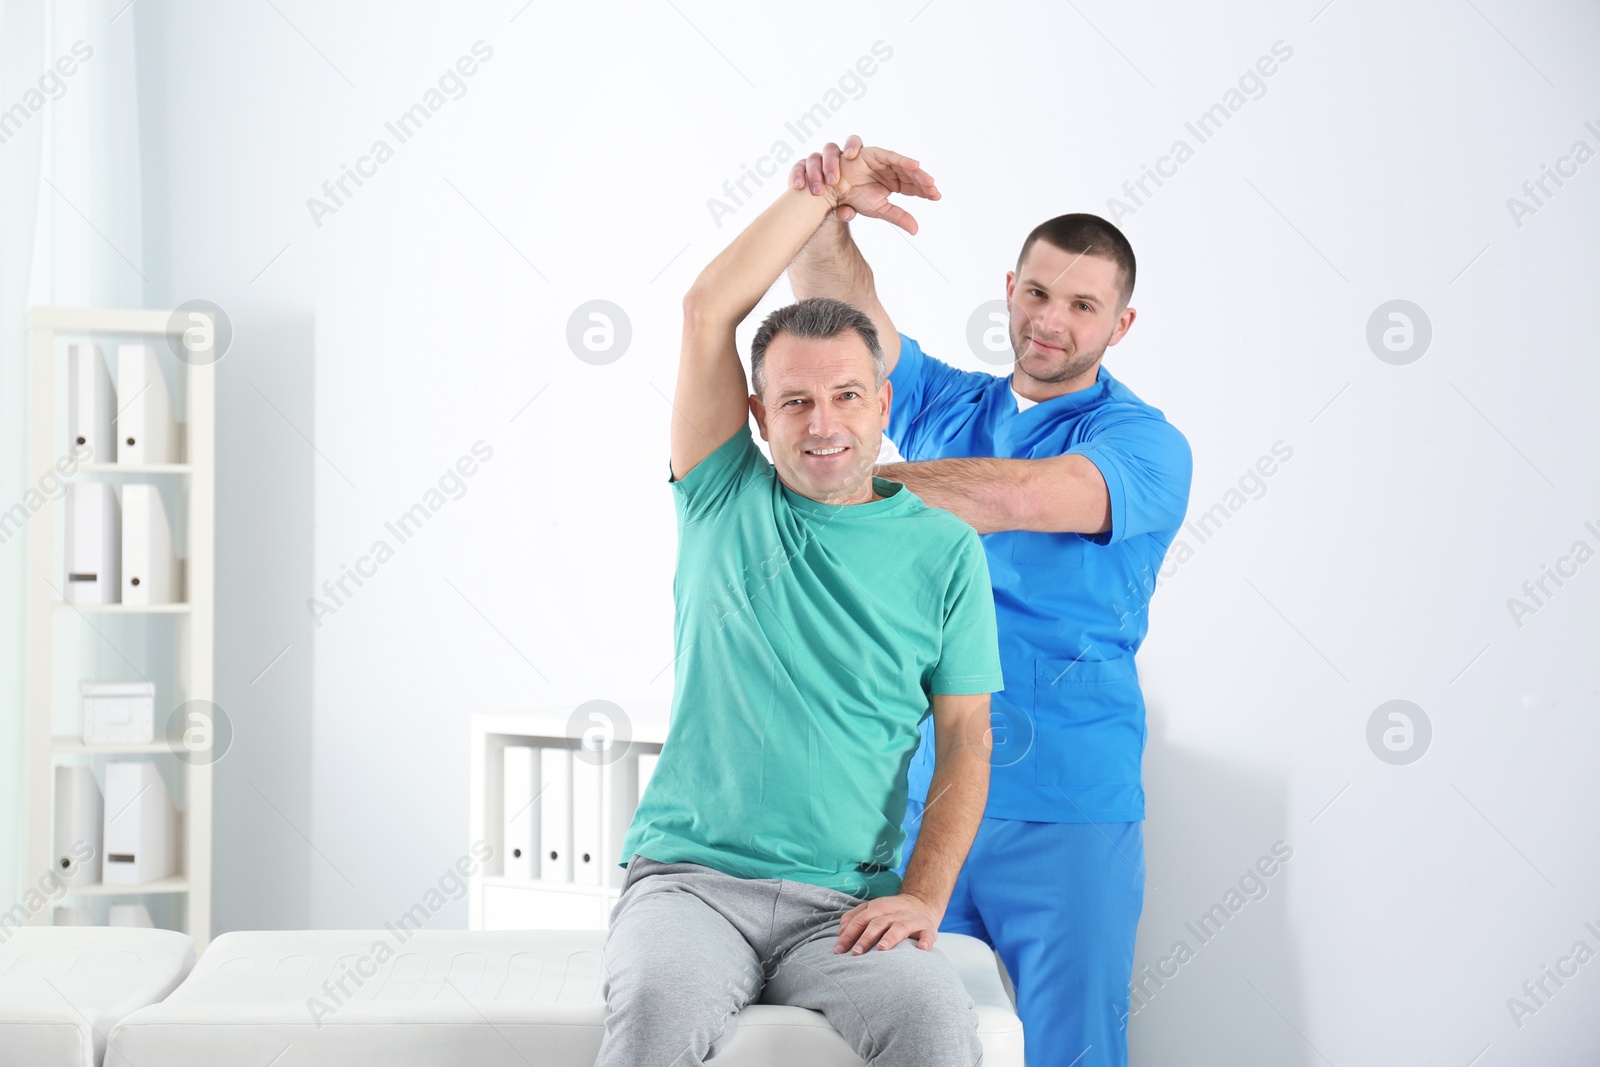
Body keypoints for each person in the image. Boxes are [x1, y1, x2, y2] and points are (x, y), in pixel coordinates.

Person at [788, 135, 1194, 1067]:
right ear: (1010, 286)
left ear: (1120, 325)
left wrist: (838, 481)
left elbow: (1014, 497)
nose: (1052, 321)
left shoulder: (1144, 444)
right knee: (904, 1039)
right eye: (1039, 293)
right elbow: (837, 307)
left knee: (1069, 1051)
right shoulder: (948, 404)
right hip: (926, 801)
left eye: (1083, 305)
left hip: (1065, 811)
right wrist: (827, 209)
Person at [597, 143, 1006, 1067]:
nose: (823, 423)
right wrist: (813, 195)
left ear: (882, 401)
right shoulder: (720, 493)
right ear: (757, 413)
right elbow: (708, 309)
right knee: (658, 1008)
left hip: (844, 909)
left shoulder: (944, 551)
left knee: (939, 1027)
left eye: (846, 396)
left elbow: (967, 738)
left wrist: (926, 894)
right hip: (691, 886)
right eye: (795, 402)